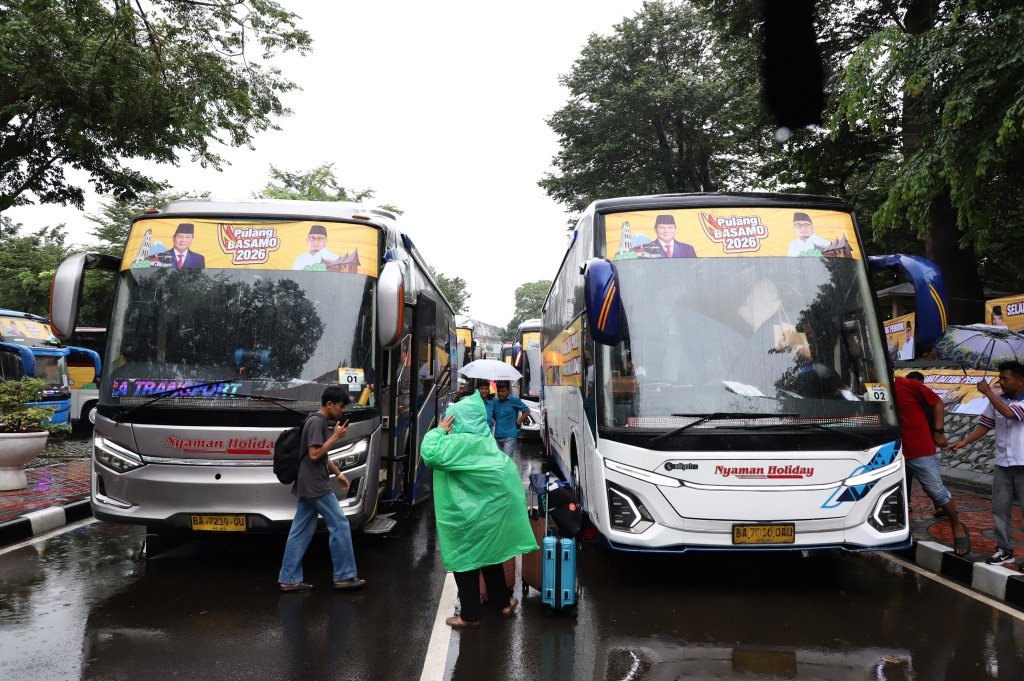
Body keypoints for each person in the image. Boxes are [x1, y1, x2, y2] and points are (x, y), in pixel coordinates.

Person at [420, 391, 538, 628]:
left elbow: (429, 453)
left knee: (466, 562)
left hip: (465, 517)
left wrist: (440, 429)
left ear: (460, 419)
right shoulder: (486, 440)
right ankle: (503, 603)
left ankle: (470, 616)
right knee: (490, 557)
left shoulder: (458, 443)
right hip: (489, 514)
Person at [278, 387, 365, 592]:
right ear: (329, 404)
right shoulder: (317, 422)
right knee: (340, 524)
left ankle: (288, 578)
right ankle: (344, 577)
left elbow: (321, 455)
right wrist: (335, 437)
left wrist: (340, 474)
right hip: (316, 484)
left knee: (299, 532)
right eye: (341, 406)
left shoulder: (314, 420)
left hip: (308, 483)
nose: (343, 410)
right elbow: (315, 453)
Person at [945, 361, 1024, 566]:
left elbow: (1009, 414)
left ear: (1021, 380)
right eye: (1000, 378)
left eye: (1005, 379)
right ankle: (1004, 550)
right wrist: (964, 442)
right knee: (999, 510)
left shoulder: (1006, 400)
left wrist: (988, 393)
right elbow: (985, 425)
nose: (1001, 382)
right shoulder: (998, 399)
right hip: (1003, 465)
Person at [895, 372, 970, 555]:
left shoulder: (907, 385)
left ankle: (957, 525)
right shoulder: (870, 389)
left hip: (919, 449)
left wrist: (939, 431)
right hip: (891, 451)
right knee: (896, 494)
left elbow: (937, 402)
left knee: (936, 492)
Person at [487, 380, 530, 457]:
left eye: (503, 391)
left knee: (506, 460)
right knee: (499, 460)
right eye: (499, 391)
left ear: (509, 391)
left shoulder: (515, 400)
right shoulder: (495, 402)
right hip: (497, 436)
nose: (500, 393)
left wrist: (520, 421)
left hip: (509, 437)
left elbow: (527, 411)